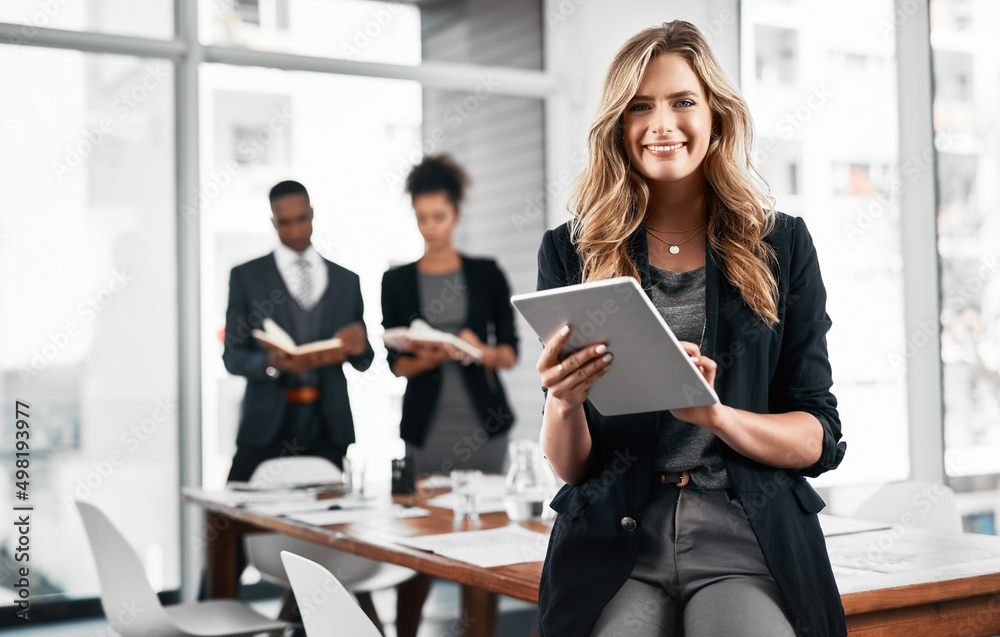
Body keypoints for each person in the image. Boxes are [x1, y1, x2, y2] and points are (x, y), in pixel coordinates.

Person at [534, 21, 847, 637]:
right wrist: (564, 402)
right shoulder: (571, 251)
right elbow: (572, 467)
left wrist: (714, 415)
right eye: (640, 107)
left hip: (745, 536)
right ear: (618, 127)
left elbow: (817, 435)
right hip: (618, 540)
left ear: (716, 115)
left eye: (683, 102)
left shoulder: (782, 245)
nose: (661, 125)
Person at [381, 155, 519, 637]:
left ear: (456, 214)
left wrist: (478, 350)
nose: (429, 227)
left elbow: (510, 355)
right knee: (421, 543)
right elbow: (397, 364)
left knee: (483, 544)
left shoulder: (486, 273)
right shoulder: (396, 280)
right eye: (421, 217)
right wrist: (437, 353)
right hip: (428, 430)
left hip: (484, 428)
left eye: (438, 217)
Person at [222, 180, 374, 481]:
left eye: (301, 219)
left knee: (329, 517)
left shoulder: (347, 281)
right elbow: (232, 356)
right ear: (272, 222)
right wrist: (269, 363)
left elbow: (364, 359)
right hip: (265, 424)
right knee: (236, 516)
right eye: (284, 223)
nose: (294, 231)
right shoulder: (246, 277)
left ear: (313, 214)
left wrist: (361, 347)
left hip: (327, 426)